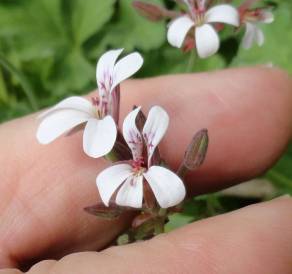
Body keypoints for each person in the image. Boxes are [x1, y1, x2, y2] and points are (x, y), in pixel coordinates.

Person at [0, 66, 292, 274]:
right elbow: (133, 170)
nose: (100, 102)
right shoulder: (118, 160)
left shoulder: (134, 161)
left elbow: (143, 169)